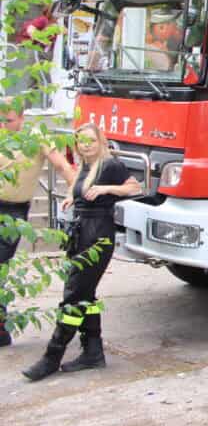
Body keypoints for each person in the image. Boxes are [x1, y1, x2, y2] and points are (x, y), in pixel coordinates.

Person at [22, 123, 140, 380]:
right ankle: (93, 352)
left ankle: (52, 357)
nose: (86, 146)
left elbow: (135, 187)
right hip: (80, 233)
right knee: (86, 294)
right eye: (81, 142)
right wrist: (72, 197)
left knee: (73, 296)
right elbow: (79, 186)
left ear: (101, 142)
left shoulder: (110, 165)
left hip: (98, 236)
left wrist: (108, 189)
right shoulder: (86, 165)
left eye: (91, 141)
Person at [0, 99, 77, 348]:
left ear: (22, 118)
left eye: (8, 121)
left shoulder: (36, 138)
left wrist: (73, 191)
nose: (3, 126)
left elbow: (63, 166)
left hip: (13, 211)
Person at [144, 7, 184, 71]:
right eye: (174, 26)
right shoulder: (155, 50)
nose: (175, 29)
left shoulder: (163, 46)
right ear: (161, 28)